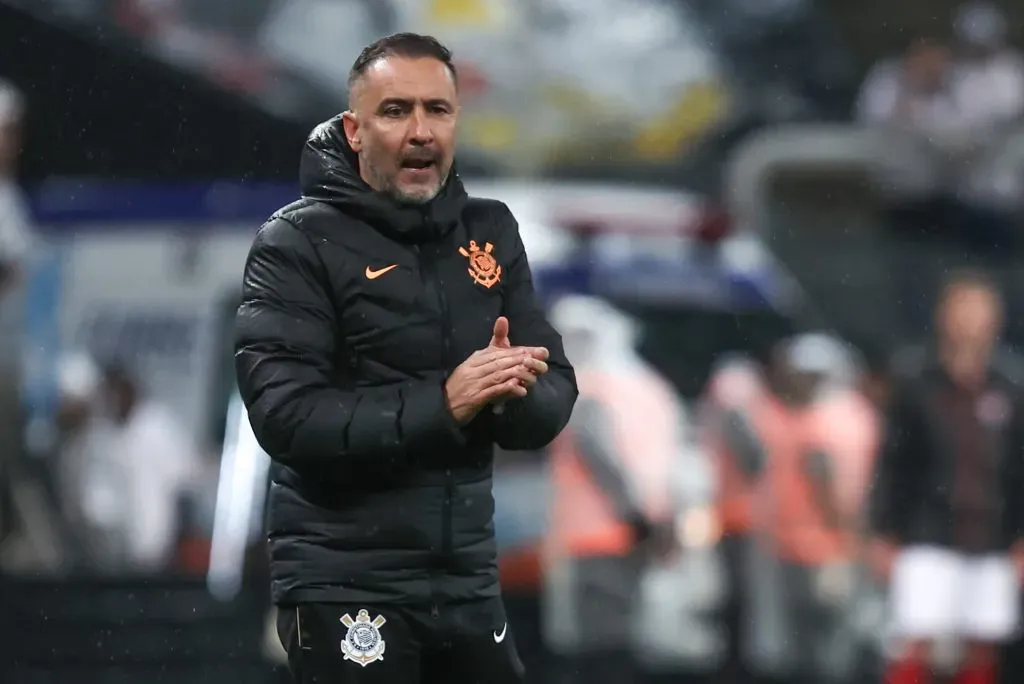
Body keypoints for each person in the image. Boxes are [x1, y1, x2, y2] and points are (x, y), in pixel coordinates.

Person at [233, 33, 578, 684]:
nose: (421, 131)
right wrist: (446, 403)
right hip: (346, 581)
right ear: (354, 131)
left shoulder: (490, 231)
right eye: (396, 111)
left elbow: (555, 390)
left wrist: (515, 392)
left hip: (467, 578)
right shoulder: (296, 242)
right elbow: (286, 417)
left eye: (437, 110)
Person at [870, 271, 1024, 684]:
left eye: (980, 311)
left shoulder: (1010, 388)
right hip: (927, 529)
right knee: (914, 637)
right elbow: (893, 461)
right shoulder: (917, 383)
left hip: (991, 533)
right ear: (944, 316)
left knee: (983, 642)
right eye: (963, 310)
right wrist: (885, 531)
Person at [542, 295, 679, 684]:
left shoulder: (589, 390)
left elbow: (601, 457)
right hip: (639, 533)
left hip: (597, 536)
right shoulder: (649, 387)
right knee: (622, 638)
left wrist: (634, 515)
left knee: (597, 646)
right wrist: (658, 521)